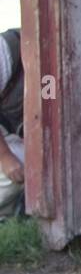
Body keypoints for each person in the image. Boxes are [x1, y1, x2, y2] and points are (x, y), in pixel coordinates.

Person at [0, 26, 25, 219]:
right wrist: (5, 157)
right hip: (7, 143)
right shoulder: (6, 51)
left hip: (16, 137)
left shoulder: (46, 74)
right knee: (11, 172)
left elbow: (49, 98)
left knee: (24, 169)